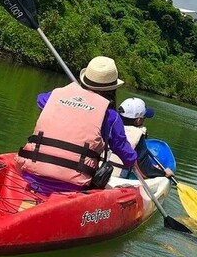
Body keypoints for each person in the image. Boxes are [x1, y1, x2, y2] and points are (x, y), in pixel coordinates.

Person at [15, 56, 138, 193]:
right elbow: (125, 153)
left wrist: (73, 99)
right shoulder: (110, 116)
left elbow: (40, 100)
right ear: (112, 89)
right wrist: (133, 162)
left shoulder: (54, 96)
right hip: (73, 185)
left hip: (31, 173)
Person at [109, 97, 175, 180]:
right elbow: (145, 171)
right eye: (144, 118)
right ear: (138, 120)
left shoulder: (107, 123)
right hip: (117, 180)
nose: (144, 120)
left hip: (100, 173)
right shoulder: (137, 135)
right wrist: (163, 173)